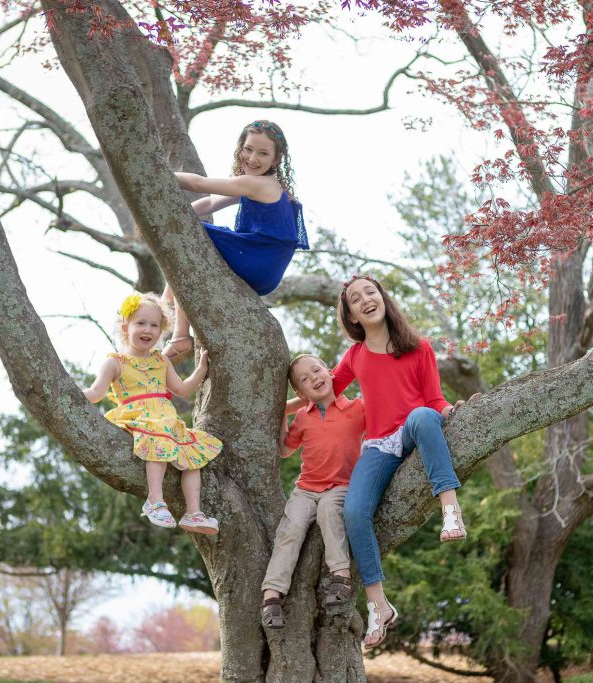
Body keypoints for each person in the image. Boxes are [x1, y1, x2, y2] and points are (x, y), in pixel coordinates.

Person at [288, 275, 474, 650]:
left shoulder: (418, 347)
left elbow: (434, 400)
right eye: (356, 300)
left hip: (414, 428)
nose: (365, 300)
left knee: (422, 415)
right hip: (378, 445)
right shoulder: (355, 355)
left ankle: (450, 510)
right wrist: (283, 406)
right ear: (352, 315)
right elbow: (322, 392)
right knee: (354, 512)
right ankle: (378, 605)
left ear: (383, 298)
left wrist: (454, 411)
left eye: (370, 292)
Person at [163, 120, 309, 361]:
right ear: (240, 147)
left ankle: (179, 334)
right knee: (187, 234)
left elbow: (199, 184)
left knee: (188, 236)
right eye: (249, 149)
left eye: (263, 153)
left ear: (275, 160)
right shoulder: (262, 184)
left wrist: (157, 170)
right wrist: (181, 213)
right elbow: (210, 202)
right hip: (265, 270)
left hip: (258, 260)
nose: (253, 158)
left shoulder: (257, 183)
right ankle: (167, 304)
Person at [83, 292, 223, 534]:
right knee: (157, 434)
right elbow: (96, 393)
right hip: (138, 418)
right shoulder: (116, 362)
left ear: (162, 331)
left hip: (167, 422)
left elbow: (181, 390)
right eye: (140, 323)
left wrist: (200, 370)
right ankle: (155, 501)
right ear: (125, 327)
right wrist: (68, 392)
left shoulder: (161, 361)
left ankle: (193, 513)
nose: (147, 329)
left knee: (192, 457)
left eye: (154, 325)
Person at [260, 354, 366, 629]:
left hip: (341, 485)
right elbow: (285, 450)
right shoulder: (303, 418)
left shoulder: (356, 408)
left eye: (316, 371)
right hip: (306, 489)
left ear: (330, 372)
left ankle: (341, 578)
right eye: (304, 380)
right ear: (300, 392)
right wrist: (284, 411)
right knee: (290, 529)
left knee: (329, 511)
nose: (313, 379)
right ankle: (272, 596)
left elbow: (386, 423)